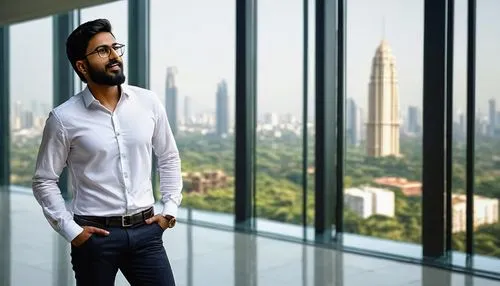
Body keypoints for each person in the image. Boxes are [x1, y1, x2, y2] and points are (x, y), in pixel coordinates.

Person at [32, 18, 182, 286]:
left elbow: (168, 156)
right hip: (95, 238)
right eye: (102, 51)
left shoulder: (148, 102)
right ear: (82, 65)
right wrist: (71, 231)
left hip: (147, 232)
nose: (114, 56)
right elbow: (44, 179)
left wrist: (169, 210)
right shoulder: (63, 118)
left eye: (115, 47)